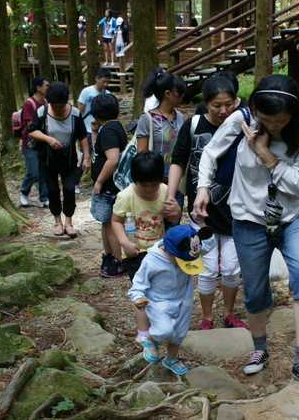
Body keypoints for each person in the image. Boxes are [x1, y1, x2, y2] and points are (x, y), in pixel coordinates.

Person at [193, 74, 299, 396]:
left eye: (279, 120)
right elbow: (210, 153)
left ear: (293, 115)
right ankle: (259, 348)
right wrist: (202, 187)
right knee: (254, 290)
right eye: (265, 119)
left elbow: (298, 184)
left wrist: (265, 154)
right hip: (248, 219)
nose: (271, 125)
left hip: (292, 217)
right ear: (253, 109)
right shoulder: (242, 119)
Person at [168, 76, 246, 330]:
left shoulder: (243, 125)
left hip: (237, 211)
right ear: (205, 103)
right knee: (207, 269)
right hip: (201, 212)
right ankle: (207, 316)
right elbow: (178, 161)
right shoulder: (193, 126)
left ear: (236, 100)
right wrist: (171, 195)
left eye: (228, 104)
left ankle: (229, 313)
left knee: (233, 269)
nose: (223, 110)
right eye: (216, 105)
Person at [112, 151, 181, 344]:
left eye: (154, 184)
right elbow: (116, 221)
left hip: (160, 252)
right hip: (137, 253)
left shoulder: (166, 191)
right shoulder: (126, 196)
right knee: (141, 291)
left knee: (160, 289)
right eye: (144, 185)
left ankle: (163, 322)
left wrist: (174, 212)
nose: (149, 189)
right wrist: (124, 242)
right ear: (135, 180)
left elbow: (173, 219)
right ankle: (143, 330)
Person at [128, 223, 216, 375]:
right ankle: (150, 338)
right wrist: (137, 298)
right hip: (158, 303)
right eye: (182, 261)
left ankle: (170, 359)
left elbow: (209, 243)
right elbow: (138, 283)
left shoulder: (189, 251)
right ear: (168, 251)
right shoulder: (152, 260)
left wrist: (202, 224)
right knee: (164, 330)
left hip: (183, 302)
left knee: (179, 334)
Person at [28, 81, 90, 238]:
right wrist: (48, 139)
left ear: (67, 101)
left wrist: (86, 157)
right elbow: (32, 131)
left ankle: (69, 222)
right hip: (47, 160)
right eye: (55, 106)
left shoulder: (75, 113)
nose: (58, 109)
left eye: (61, 106)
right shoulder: (42, 112)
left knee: (69, 189)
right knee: (53, 190)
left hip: (69, 160)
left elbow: (82, 136)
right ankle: (57, 222)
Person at [136, 67, 186, 211]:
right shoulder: (147, 119)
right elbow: (141, 154)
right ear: (168, 94)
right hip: (154, 183)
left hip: (175, 181)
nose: (183, 95)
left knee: (174, 226)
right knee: (153, 227)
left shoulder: (180, 117)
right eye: (179, 92)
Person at [89, 94, 128, 278]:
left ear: (96, 114)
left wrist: (99, 181)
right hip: (108, 187)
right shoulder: (111, 128)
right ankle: (109, 256)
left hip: (109, 188)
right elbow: (99, 150)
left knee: (111, 224)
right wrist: (95, 132)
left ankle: (118, 261)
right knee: (106, 223)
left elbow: (113, 159)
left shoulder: (110, 131)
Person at [18, 75, 50, 208]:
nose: (48, 88)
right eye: (46, 86)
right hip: (30, 144)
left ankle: (44, 197)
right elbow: (31, 126)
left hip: (44, 142)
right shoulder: (29, 104)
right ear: (38, 88)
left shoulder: (46, 102)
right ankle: (24, 192)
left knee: (44, 171)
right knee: (33, 171)